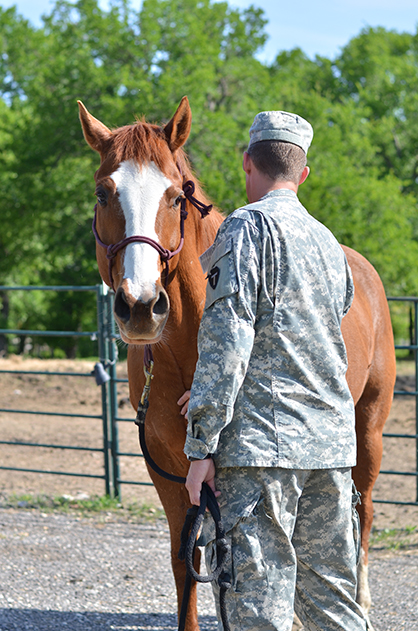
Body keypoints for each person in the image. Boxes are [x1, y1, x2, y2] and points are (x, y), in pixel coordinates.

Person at [180, 111, 367, 631]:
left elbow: (227, 340)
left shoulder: (245, 228)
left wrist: (201, 447)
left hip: (262, 453)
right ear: (303, 173)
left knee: (258, 610)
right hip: (330, 451)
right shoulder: (330, 244)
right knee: (334, 606)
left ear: (247, 162)